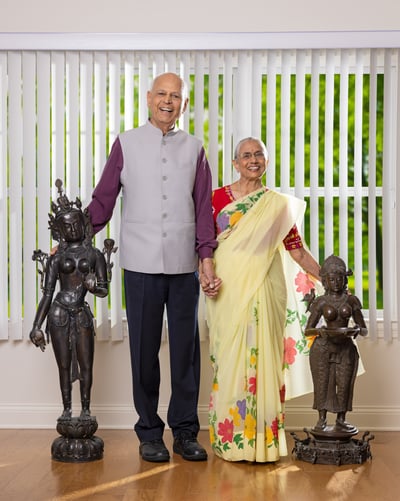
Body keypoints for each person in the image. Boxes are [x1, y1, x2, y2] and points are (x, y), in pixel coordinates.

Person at [87, 72, 221, 463]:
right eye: (162, 94)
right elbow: (103, 201)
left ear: (183, 103)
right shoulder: (126, 144)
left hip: (183, 266)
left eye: (175, 96)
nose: (168, 101)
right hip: (140, 264)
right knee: (143, 352)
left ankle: (184, 432)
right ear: (149, 98)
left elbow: (202, 210)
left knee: (185, 354)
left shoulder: (195, 148)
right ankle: (149, 432)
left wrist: (206, 256)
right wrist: (75, 235)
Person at [205, 137, 321, 462]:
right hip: (225, 290)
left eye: (259, 155)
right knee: (227, 361)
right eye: (246, 155)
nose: (253, 160)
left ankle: (263, 442)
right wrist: (205, 274)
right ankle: (232, 441)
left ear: (267, 162)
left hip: (267, 290)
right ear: (235, 162)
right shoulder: (215, 199)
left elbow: (297, 250)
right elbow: (202, 244)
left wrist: (328, 277)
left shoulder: (278, 206)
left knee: (266, 361)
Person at [30, 179, 109, 420]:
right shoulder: (56, 259)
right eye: (67, 226)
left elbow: (104, 290)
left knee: (86, 365)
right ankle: (66, 409)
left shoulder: (94, 255)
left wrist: (93, 287)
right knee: (63, 366)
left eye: (76, 223)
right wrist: (36, 325)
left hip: (81, 313)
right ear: (60, 231)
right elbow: (47, 294)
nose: (73, 229)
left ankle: (85, 409)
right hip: (58, 313)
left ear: (83, 225)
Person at [304, 254, 367, 433]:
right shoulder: (321, 301)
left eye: (340, 278)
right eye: (332, 279)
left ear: (345, 280)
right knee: (322, 383)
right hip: (323, 347)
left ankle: (341, 419)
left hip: (346, 347)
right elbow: (308, 330)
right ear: (325, 281)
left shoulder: (351, 301)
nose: (336, 282)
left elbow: (363, 328)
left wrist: (356, 330)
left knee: (345, 384)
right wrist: (320, 331)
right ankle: (321, 419)